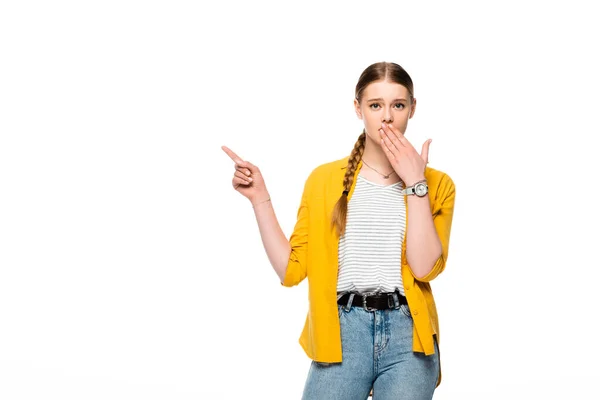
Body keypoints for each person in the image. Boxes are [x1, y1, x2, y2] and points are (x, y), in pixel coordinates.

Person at [222, 61, 456, 400]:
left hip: (410, 337)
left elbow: (424, 268)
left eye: (398, 105)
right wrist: (260, 198)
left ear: (412, 109)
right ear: (358, 108)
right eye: (375, 105)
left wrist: (415, 183)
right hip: (342, 331)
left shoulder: (438, 184)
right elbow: (291, 270)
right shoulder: (324, 180)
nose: (387, 116)